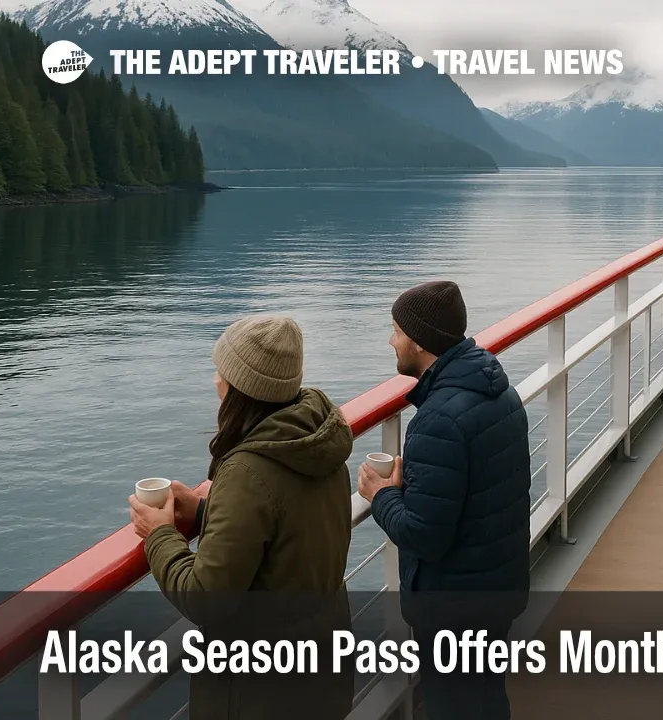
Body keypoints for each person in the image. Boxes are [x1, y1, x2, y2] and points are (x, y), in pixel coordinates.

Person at [128, 314, 355, 720]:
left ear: (241, 388)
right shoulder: (316, 443)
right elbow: (285, 534)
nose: (215, 380)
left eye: (221, 372)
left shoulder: (248, 472)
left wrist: (160, 534)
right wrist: (205, 511)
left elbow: (206, 599)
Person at [356, 280, 531, 720]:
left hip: (456, 608)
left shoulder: (438, 419)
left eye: (395, 331)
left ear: (417, 341)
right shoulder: (498, 391)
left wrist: (382, 496)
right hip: (497, 587)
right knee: (487, 698)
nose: (390, 340)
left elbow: (424, 534)